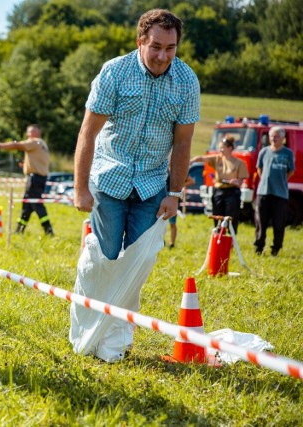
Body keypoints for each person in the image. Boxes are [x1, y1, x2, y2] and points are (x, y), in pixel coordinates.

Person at [71, 9, 200, 362]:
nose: (162, 56)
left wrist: (174, 194)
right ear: (140, 40)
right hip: (110, 178)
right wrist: (80, 188)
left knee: (137, 264)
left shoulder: (187, 82)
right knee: (108, 257)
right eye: (156, 46)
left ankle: (114, 344)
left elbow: (184, 143)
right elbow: (88, 131)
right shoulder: (114, 72)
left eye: (170, 48)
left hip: (152, 185)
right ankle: (89, 331)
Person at [0, 124, 54, 235]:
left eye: (29, 132)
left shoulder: (35, 142)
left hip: (34, 179)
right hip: (38, 178)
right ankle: (19, 230)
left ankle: (49, 230)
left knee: (36, 204)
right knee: (27, 206)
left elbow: (16, 145)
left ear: (36, 132)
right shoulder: (42, 144)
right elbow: (39, 161)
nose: (27, 135)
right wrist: (26, 165)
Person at [190, 136, 248, 232]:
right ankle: (218, 238)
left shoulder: (239, 163)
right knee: (217, 217)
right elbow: (201, 158)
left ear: (229, 148)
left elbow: (240, 182)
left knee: (230, 218)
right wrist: (191, 161)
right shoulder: (217, 159)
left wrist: (235, 182)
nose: (220, 150)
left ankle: (230, 239)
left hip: (232, 192)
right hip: (218, 192)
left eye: (222, 148)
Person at [254, 126, 295, 256]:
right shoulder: (264, 152)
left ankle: (276, 249)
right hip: (264, 192)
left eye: (276, 136)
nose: (273, 138)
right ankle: (259, 248)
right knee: (261, 222)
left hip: (280, 194)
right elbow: (259, 169)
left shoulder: (288, 153)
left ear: (282, 138)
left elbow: (291, 171)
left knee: (278, 223)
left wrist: (280, 181)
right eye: (271, 136)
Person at [167, 174, 195, 248]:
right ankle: (160, 242)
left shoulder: (177, 170)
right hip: (162, 199)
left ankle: (172, 243)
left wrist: (181, 185)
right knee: (160, 224)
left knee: (172, 223)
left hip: (174, 200)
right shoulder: (163, 169)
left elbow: (191, 181)